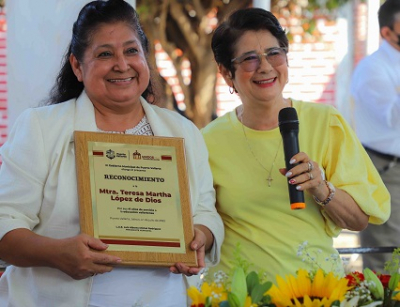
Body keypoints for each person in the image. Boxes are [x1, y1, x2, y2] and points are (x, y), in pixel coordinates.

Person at [0, 1, 224, 306]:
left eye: (132, 51)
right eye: (105, 54)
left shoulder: (182, 132)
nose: (122, 64)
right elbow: (5, 222)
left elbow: (205, 212)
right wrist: (55, 253)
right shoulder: (41, 128)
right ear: (77, 66)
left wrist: (200, 236)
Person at [202, 7, 390, 281]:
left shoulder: (326, 122)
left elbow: (358, 220)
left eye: (274, 53)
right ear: (226, 72)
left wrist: (321, 188)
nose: (265, 67)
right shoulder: (207, 140)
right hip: (237, 294)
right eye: (250, 59)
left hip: (315, 292)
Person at [350, 0, 400, 272]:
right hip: (387, 170)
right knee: (388, 259)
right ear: (388, 32)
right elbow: (393, 118)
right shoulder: (372, 69)